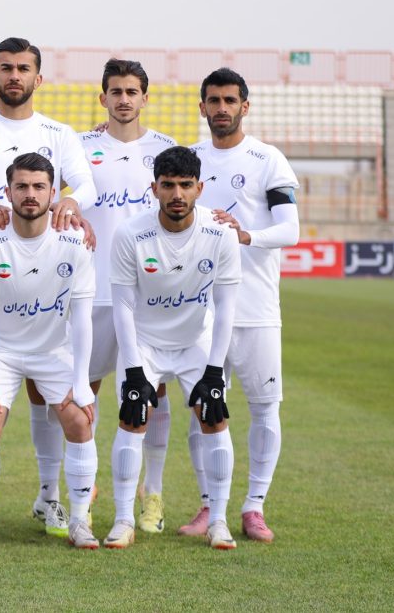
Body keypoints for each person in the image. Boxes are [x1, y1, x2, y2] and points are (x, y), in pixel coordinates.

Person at [0, 36, 95, 538]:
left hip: (42, 270)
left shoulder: (58, 132)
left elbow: (85, 184)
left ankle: (51, 499)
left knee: (49, 402)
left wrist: (71, 203)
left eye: (23, 68)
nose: (14, 75)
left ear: (37, 77)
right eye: (5, 67)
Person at [0, 153, 98, 550]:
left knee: (79, 421)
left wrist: (81, 382)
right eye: (21, 186)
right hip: (1, 351)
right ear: (8, 192)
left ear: (54, 193)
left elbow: (82, 318)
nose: (30, 194)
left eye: (39, 187)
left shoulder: (75, 240)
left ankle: (79, 521)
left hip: (53, 350)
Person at [104, 146, 241, 550]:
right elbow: (123, 306)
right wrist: (134, 371)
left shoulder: (221, 234)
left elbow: (226, 307)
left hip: (194, 341)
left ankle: (218, 521)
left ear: (200, 188)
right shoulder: (130, 234)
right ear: (154, 189)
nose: (177, 194)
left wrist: (214, 371)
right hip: (144, 342)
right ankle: (123, 520)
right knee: (132, 418)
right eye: (168, 185)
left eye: (185, 185)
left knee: (214, 417)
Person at [189, 68, 300, 543]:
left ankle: (254, 505)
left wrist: (245, 235)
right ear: (202, 107)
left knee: (264, 406)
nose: (221, 108)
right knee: (203, 407)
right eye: (213, 100)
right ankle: (208, 504)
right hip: (198, 310)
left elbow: (290, 230)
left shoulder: (267, 159)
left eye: (229, 100)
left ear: (245, 106)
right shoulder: (190, 159)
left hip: (255, 306)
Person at [79, 59, 176, 533]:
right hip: (93, 288)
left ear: (144, 97)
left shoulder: (166, 149)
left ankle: (151, 492)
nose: (123, 99)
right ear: (103, 98)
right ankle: (84, 488)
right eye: (115, 91)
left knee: (153, 389)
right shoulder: (80, 147)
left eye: (132, 91)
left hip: (149, 294)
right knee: (85, 388)